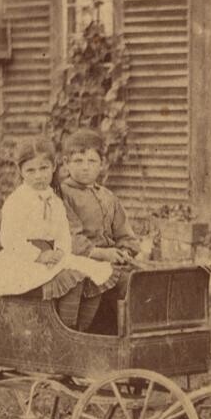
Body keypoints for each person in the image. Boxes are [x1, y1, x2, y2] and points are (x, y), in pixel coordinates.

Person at [0, 139, 115, 310]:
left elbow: (63, 234)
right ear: (20, 171)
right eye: (30, 170)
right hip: (24, 260)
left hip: (52, 257)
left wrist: (60, 251)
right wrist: (39, 255)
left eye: (43, 168)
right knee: (71, 279)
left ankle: (79, 330)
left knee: (94, 273)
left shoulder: (54, 201)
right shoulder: (17, 201)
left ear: (53, 166)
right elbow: (10, 239)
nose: (38, 176)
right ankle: (65, 328)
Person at [55, 129, 153, 330]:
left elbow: (124, 233)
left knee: (148, 279)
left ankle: (143, 335)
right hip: (84, 261)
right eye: (78, 161)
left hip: (113, 261)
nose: (85, 168)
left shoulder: (108, 196)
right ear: (65, 163)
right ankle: (114, 336)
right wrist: (102, 253)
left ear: (102, 165)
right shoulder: (63, 195)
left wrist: (125, 251)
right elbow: (70, 236)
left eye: (91, 161)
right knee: (129, 283)